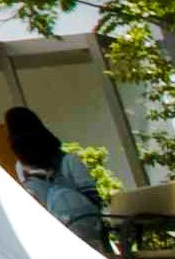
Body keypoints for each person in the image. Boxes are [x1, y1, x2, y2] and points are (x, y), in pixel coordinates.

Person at [6, 106, 108, 250]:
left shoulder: (21, 168)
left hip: (51, 241)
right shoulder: (70, 160)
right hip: (87, 234)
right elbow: (94, 201)